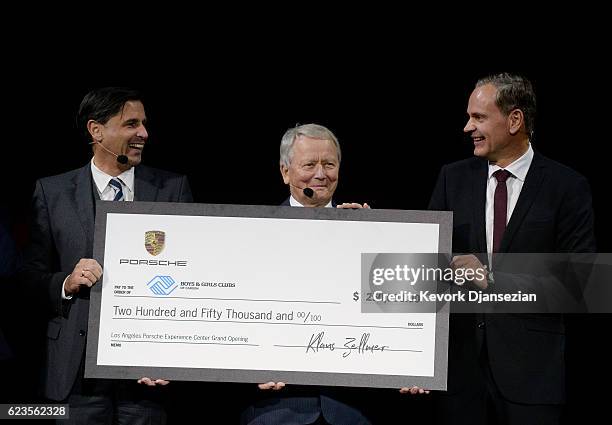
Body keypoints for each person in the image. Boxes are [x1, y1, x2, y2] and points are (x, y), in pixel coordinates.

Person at [426, 73, 596, 424]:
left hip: (532, 380)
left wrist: (493, 278)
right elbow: (426, 266)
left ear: (515, 119)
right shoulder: (452, 179)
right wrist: (370, 229)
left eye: (479, 117)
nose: (467, 127)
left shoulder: (566, 187)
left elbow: (579, 284)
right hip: (460, 378)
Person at [20, 87, 193, 424]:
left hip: (145, 375)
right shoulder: (51, 192)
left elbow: (189, 276)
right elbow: (28, 277)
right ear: (96, 130)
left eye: (143, 123)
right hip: (75, 373)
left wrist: (169, 353)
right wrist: (66, 283)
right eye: (131, 124)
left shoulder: (172, 189)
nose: (144, 133)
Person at [241, 123, 371, 425]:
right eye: (309, 164)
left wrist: (373, 238)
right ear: (285, 172)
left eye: (329, 164)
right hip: (274, 409)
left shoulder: (365, 228)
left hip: (349, 410)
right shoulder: (252, 234)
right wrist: (249, 366)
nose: (321, 174)